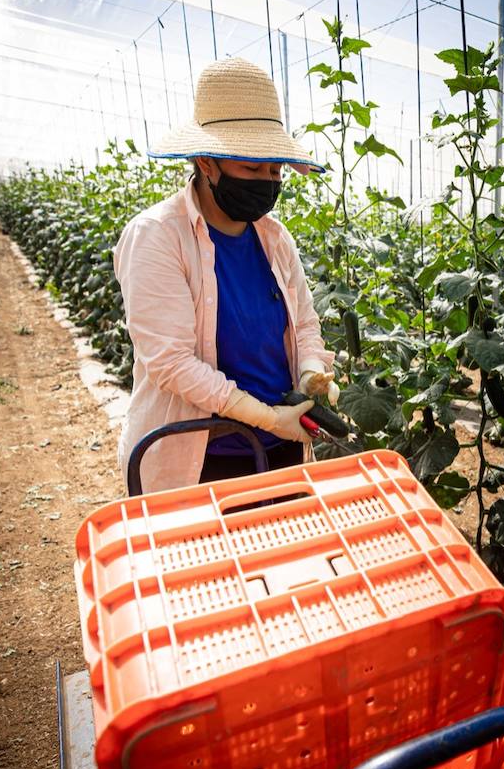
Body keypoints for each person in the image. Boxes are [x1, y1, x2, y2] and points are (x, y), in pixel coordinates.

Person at [113, 58, 338, 493]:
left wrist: (310, 373)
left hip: (283, 447)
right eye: (252, 169)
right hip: (201, 456)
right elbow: (172, 363)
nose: (268, 181)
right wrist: (269, 417)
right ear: (207, 162)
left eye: (274, 170)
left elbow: (305, 325)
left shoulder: (274, 238)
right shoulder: (158, 236)